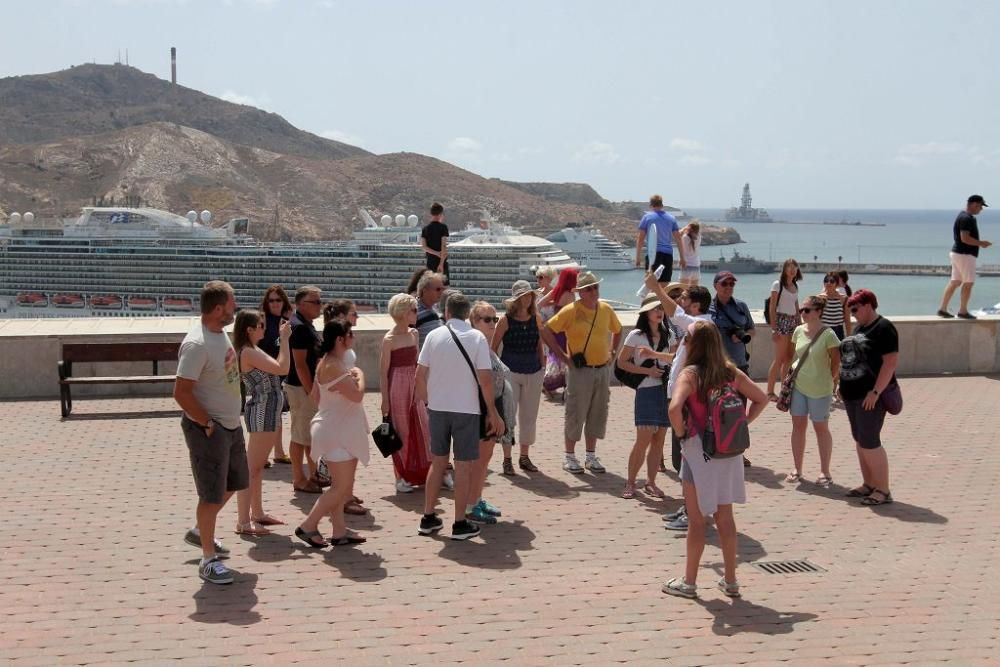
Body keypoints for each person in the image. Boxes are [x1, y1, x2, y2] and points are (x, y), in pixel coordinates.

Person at [662, 320, 767, 600]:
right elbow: (761, 398)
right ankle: (731, 581)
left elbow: (674, 408)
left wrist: (683, 434)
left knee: (697, 520)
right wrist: (741, 425)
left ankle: (689, 582)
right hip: (729, 451)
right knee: (726, 518)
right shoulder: (729, 372)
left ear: (693, 345)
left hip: (699, 451)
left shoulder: (691, 374)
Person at [174, 281, 246, 585]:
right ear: (218, 309)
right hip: (210, 429)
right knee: (210, 493)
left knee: (237, 482)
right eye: (232, 303)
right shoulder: (197, 344)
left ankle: (200, 531)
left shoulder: (220, 333)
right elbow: (181, 392)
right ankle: (207, 559)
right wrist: (206, 424)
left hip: (230, 424)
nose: (235, 307)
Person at [416, 292, 504, 540]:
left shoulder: (433, 335)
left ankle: (428, 517)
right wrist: (493, 413)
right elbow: (485, 380)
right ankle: (459, 522)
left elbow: (419, 376)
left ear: (446, 312)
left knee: (438, 463)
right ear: (467, 314)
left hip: (438, 408)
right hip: (466, 409)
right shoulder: (476, 338)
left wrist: (426, 402)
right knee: (463, 465)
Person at [643, 274, 715, 532]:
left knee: (689, 459)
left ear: (695, 306)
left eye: (684, 298)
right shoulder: (696, 326)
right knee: (684, 459)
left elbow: (673, 312)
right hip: (682, 399)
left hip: (688, 403)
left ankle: (695, 513)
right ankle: (689, 508)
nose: (679, 301)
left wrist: (655, 289)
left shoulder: (700, 325)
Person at [294, 320, 371, 548]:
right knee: (341, 489)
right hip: (338, 432)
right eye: (350, 334)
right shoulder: (335, 366)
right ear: (340, 339)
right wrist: (360, 375)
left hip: (334, 429)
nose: (353, 337)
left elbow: (317, 398)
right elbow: (357, 396)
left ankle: (339, 531)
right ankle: (308, 525)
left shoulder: (326, 363)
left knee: (338, 486)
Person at [540, 271, 622, 474]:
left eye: (595, 287)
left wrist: (612, 352)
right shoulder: (571, 310)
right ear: (581, 293)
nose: (593, 291)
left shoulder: (606, 309)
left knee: (597, 413)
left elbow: (618, 329)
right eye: (589, 289)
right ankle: (569, 456)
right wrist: (563, 357)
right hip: (580, 371)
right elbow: (547, 330)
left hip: (602, 369)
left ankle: (591, 455)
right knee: (576, 412)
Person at [233, 310, 291, 536]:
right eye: (260, 325)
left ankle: (256, 514)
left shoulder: (251, 350)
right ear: (249, 329)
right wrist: (284, 339)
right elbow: (282, 368)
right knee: (251, 468)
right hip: (262, 411)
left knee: (256, 469)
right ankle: (243, 521)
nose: (264, 329)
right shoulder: (248, 351)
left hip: (267, 410)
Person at [839, 289, 899, 507]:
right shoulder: (860, 327)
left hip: (870, 396)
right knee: (860, 440)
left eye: (855, 308)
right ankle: (869, 483)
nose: (853, 313)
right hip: (851, 394)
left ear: (868, 305)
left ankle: (883, 489)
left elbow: (890, 363)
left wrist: (875, 392)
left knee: (870, 442)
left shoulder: (884, 328)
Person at [616, 293, 674, 499]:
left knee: (659, 439)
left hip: (665, 390)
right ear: (645, 313)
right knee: (643, 438)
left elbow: (674, 358)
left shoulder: (669, 333)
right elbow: (622, 362)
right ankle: (630, 483)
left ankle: (651, 482)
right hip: (646, 390)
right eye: (654, 308)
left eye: (661, 308)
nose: (659, 312)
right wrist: (647, 371)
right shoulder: (636, 335)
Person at [784, 295, 841, 486]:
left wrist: (831, 382)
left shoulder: (829, 334)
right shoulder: (798, 331)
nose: (803, 313)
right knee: (798, 427)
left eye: (807, 310)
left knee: (820, 428)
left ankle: (825, 472)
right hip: (799, 386)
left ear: (818, 312)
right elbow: (792, 357)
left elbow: (836, 363)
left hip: (820, 389)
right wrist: (786, 380)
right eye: (802, 310)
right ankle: (797, 469)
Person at [468, 300, 515, 523]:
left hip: (494, 404)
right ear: (474, 322)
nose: (492, 324)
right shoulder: (475, 346)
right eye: (487, 319)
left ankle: (477, 499)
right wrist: (490, 412)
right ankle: (470, 505)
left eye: (494, 319)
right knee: (478, 460)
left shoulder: (486, 345)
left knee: (485, 458)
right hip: (483, 407)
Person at [380, 293, 432, 493]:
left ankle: (420, 472)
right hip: (397, 385)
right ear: (402, 313)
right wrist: (385, 400)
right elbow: (383, 372)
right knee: (401, 430)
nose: (416, 313)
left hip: (413, 382)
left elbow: (418, 362)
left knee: (422, 427)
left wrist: (423, 387)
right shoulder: (389, 339)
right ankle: (400, 477)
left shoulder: (414, 334)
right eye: (413, 310)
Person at [492, 280, 545, 475]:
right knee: (509, 415)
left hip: (533, 370)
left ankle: (524, 456)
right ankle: (507, 459)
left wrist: (542, 366)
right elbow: (493, 347)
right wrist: (499, 371)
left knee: (529, 416)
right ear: (516, 299)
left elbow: (539, 344)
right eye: (523, 295)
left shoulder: (536, 318)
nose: (527, 298)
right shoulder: (505, 320)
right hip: (511, 372)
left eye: (529, 295)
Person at [286, 285, 325, 494]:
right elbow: (300, 364)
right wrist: (312, 391)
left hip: (304, 388)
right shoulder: (300, 327)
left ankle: (312, 476)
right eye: (316, 302)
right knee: (300, 436)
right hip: (301, 388)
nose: (320, 305)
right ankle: (300, 479)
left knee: (307, 436)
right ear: (301, 304)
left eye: (320, 301)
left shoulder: (305, 324)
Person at [938, 194, 991, 319]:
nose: (981, 209)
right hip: (965, 254)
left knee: (955, 281)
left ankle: (942, 308)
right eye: (980, 206)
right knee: (968, 283)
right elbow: (965, 238)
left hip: (958, 253)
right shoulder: (967, 218)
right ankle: (962, 311)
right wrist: (981, 243)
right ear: (973, 204)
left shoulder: (962, 216)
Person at [766, 259, 802, 401]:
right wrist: (774, 328)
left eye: (795, 267)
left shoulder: (795, 286)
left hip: (793, 322)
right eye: (789, 267)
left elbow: (796, 307)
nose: (792, 270)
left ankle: (784, 389)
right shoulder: (777, 284)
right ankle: (769, 391)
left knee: (789, 358)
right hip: (782, 321)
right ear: (785, 269)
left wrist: (800, 325)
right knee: (779, 359)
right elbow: (772, 307)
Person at [538, 267, 577, 398]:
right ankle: (565, 387)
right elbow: (572, 314)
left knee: (555, 357)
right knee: (566, 357)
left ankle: (548, 384)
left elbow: (540, 303)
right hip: (565, 330)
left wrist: (554, 302)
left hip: (555, 329)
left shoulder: (557, 291)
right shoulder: (570, 295)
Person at [708, 271, 755, 374]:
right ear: (715, 286)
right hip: (717, 364)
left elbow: (752, 329)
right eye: (724, 284)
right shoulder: (708, 308)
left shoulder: (741, 306)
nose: (728, 287)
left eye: (731, 284)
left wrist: (742, 335)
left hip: (739, 363)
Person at [635, 194, 686, 283]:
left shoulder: (647, 217)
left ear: (651, 205)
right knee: (665, 284)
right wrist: (682, 258)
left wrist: (638, 257)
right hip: (668, 254)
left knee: (651, 283)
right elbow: (678, 239)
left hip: (653, 255)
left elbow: (640, 239)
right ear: (662, 205)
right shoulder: (671, 218)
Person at [415, 272, 446, 348]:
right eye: (438, 289)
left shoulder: (437, 308)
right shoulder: (413, 310)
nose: (442, 292)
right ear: (425, 290)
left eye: (443, 289)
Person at [420, 202, 450, 279]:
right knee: (443, 287)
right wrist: (441, 264)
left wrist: (436, 253)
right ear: (440, 214)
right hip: (441, 262)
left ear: (431, 214)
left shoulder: (425, 229)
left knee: (431, 286)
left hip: (430, 262)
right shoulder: (443, 227)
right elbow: (443, 245)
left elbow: (424, 247)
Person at [820, 272, 851, 340]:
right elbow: (815, 319)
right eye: (826, 281)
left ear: (836, 283)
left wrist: (849, 338)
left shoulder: (844, 299)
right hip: (823, 332)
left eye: (832, 281)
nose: (828, 283)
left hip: (838, 332)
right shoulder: (819, 298)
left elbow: (847, 320)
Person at [679, 222, 702, 286]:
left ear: (689, 229)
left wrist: (684, 228)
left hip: (686, 265)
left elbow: (678, 234)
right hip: (696, 265)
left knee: (682, 288)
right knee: (694, 289)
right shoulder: (699, 237)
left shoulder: (685, 237)